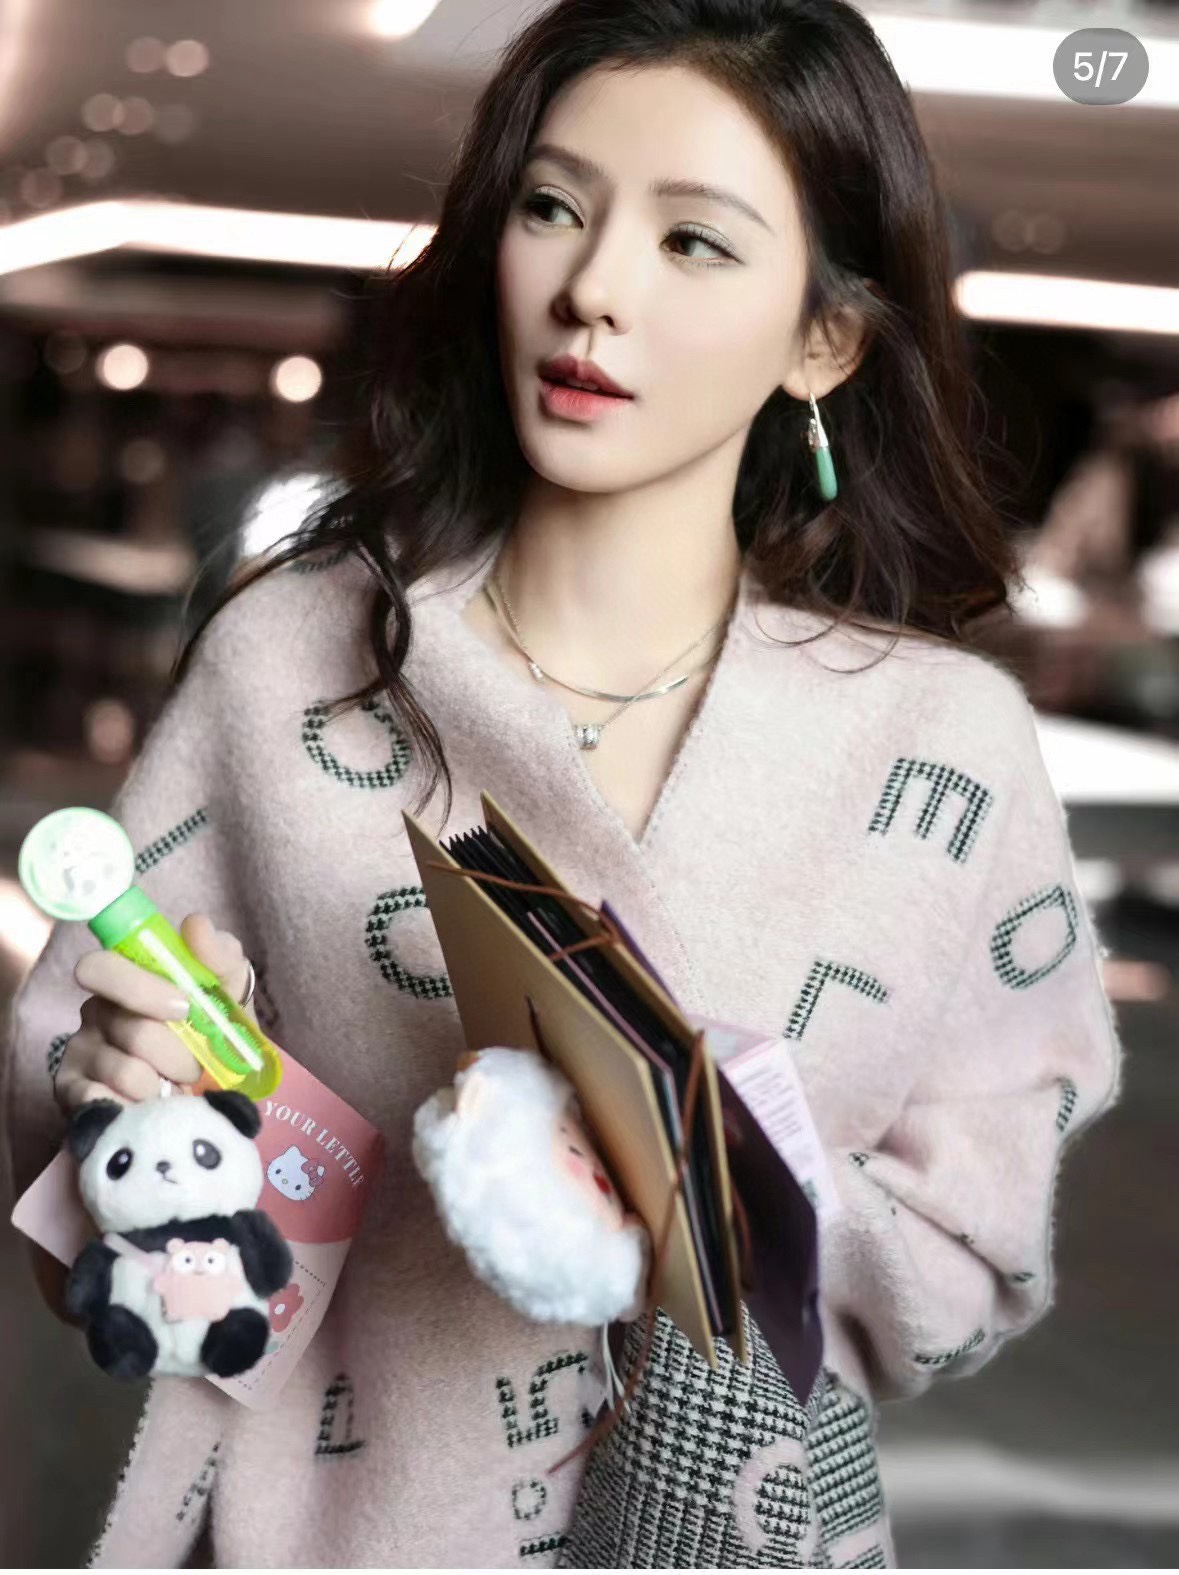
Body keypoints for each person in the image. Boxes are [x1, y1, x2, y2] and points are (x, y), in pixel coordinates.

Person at [4, 0, 1123, 1566]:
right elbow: (98, 1274)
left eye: (695, 242)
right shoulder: (291, 666)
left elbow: (966, 1270)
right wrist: (158, 1123)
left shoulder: (942, 750)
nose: (594, 287)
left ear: (826, 337)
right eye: (553, 207)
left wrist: (695, 1175)